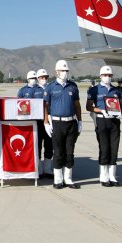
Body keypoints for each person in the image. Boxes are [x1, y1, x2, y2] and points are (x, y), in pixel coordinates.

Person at [43, 60, 83, 189]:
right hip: (57, 123)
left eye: (66, 71)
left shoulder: (73, 86)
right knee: (59, 152)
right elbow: (45, 106)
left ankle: (68, 179)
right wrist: (46, 122)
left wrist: (80, 121)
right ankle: (58, 179)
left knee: (70, 152)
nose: (65, 73)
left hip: (71, 123)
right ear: (56, 71)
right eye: (62, 71)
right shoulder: (50, 87)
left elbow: (77, 105)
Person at [86, 66, 122, 187]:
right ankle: (103, 176)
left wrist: (121, 112)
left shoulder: (117, 90)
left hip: (114, 121)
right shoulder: (94, 90)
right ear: (100, 76)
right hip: (102, 120)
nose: (107, 77)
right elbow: (88, 107)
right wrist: (100, 111)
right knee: (104, 148)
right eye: (105, 75)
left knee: (114, 148)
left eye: (109, 75)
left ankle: (112, 176)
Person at [35, 69, 53, 178]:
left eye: (46, 77)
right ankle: (38, 168)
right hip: (37, 120)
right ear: (38, 78)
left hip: (50, 119)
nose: (44, 79)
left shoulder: (51, 88)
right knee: (38, 144)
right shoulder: (34, 90)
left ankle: (47, 168)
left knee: (49, 144)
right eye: (42, 77)